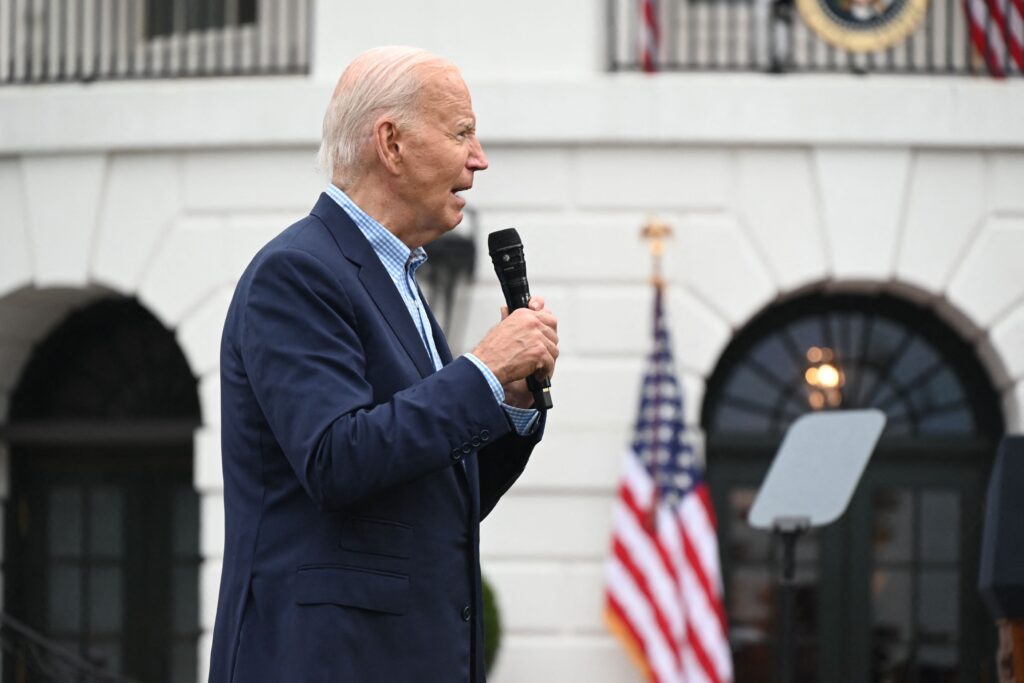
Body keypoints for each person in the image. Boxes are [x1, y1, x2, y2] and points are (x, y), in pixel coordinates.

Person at [208, 46, 559, 682]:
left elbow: (443, 495)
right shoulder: (296, 273)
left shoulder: (396, 281)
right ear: (390, 144)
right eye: (461, 133)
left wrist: (511, 398)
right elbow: (336, 459)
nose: (479, 159)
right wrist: (479, 370)